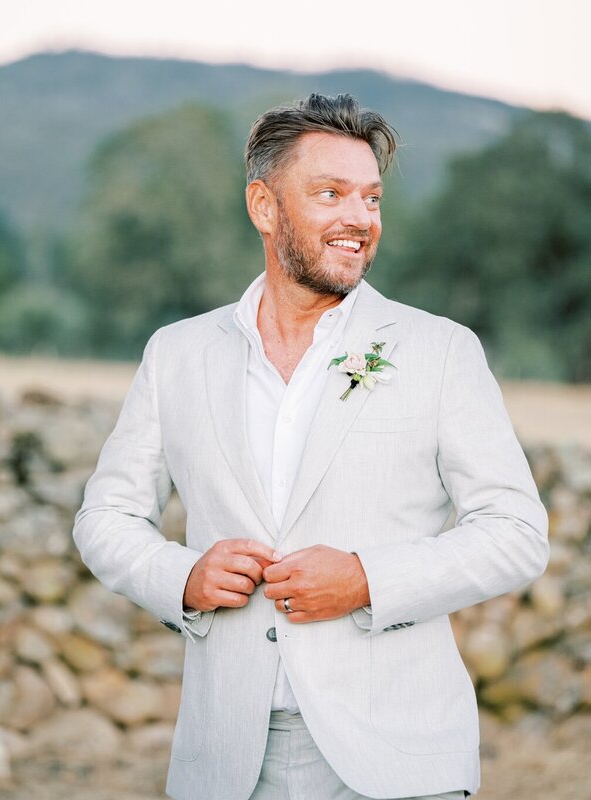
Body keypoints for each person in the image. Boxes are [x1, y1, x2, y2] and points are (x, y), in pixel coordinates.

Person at [72, 94, 548, 800]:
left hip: (399, 758)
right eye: (330, 194)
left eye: (371, 199)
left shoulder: (440, 350)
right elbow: (103, 519)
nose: (359, 219)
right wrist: (182, 578)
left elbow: (517, 534)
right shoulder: (176, 354)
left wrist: (365, 579)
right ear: (264, 207)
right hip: (227, 761)